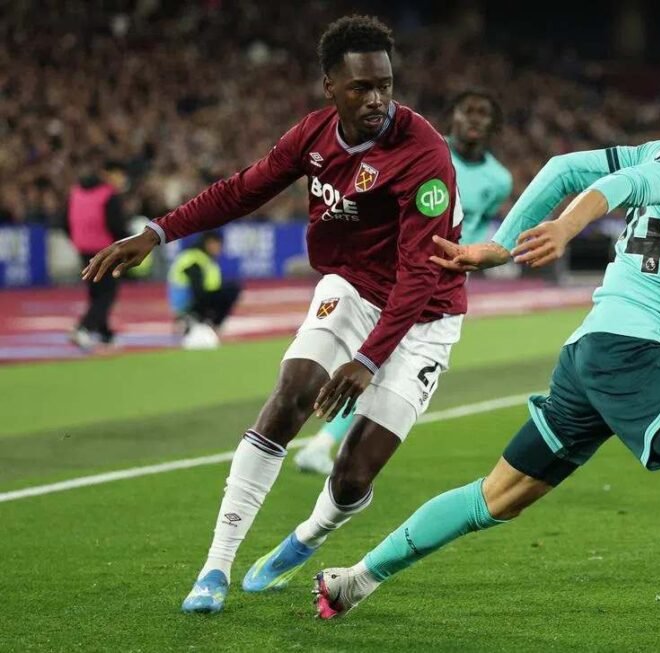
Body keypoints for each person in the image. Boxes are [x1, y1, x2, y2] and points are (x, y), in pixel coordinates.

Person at [313, 67, 660, 646]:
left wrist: (501, 245)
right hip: (628, 349)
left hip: (589, 353)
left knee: (496, 497)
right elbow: (618, 187)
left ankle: (354, 580)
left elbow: (564, 168)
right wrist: (565, 228)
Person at [82, 15, 467, 615]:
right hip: (351, 288)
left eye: (385, 85)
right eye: (362, 87)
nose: (377, 99)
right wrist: (156, 233)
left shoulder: (423, 153)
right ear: (330, 87)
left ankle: (306, 538)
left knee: (352, 476)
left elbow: (420, 275)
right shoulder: (313, 136)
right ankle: (215, 567)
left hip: (426, 317)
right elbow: (241, 190)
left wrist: (368, 361)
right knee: (291, 394)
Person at [294, 88, 513, 475]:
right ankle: (322, 441)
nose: (475, 119)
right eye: (467, 111)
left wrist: (467, 255)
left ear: (494, 124)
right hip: (399, 270)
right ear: (453, 116)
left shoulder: (500, 180)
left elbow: (478, 222)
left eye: (483, 113)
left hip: (443, 281)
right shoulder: (426, 150)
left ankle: (326, 444)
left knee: (383, 362)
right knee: (375, 357)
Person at [67, 160, 129, 349]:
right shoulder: (108, 195)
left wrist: (77, 239)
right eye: (120, 174)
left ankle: (104, 334)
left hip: (83, 249)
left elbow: (65, 220)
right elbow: (116, 226)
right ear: (109, 173)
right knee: (107, 294)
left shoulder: (77, 191)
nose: (122, 179)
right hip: (105, 250)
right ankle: (83, 328)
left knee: (96, 293)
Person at [167, 231, 242, 350]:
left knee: (230, 290)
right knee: (230, 291)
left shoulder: (207, 260)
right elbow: (197, 288)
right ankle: (192, 318)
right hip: (187, 301)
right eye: (216, 244)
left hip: (198, 299)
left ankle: (207, 322)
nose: (218, 248)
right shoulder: (193, 259)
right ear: (207, 243)